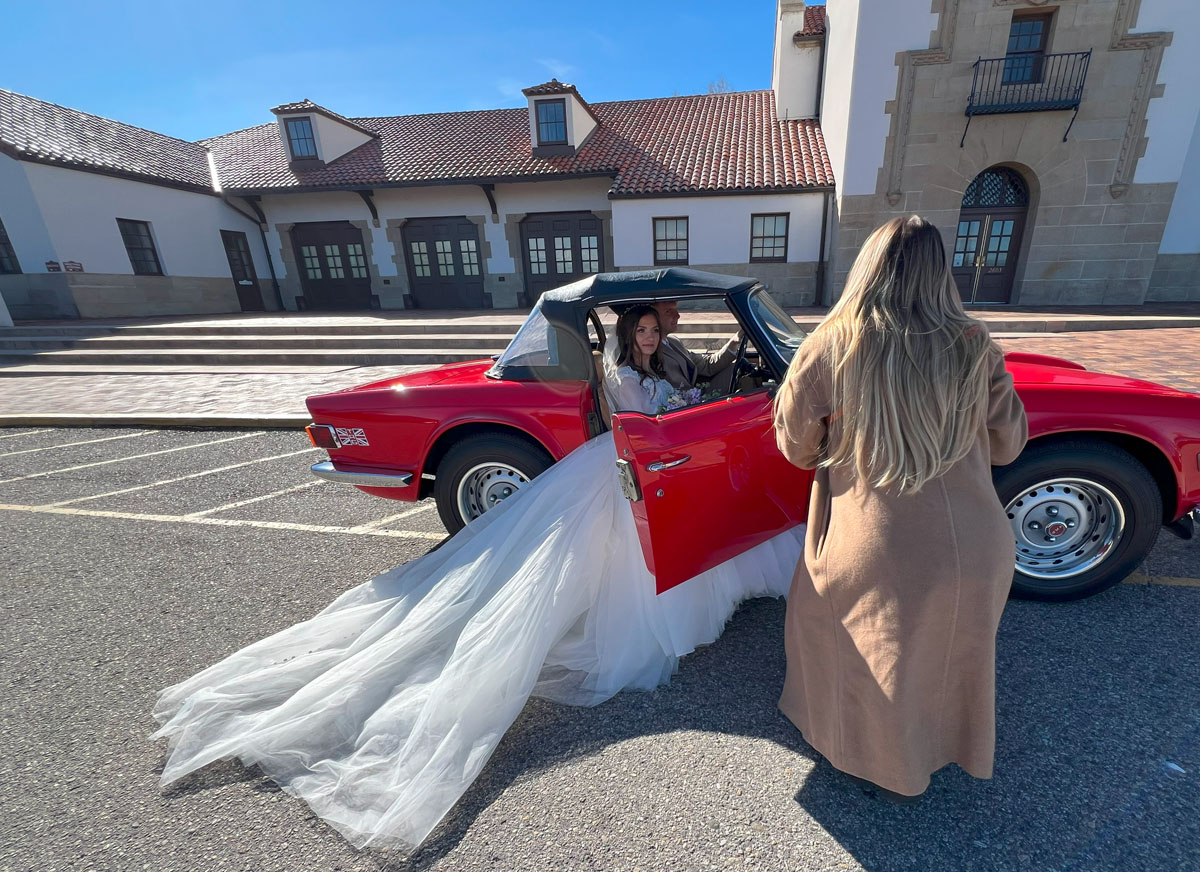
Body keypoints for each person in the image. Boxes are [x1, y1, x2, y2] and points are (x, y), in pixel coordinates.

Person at [153, 303, 804, 851]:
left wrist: (695, 394)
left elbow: (680, 396)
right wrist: (685, 403)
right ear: (628, 333)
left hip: (646, 456)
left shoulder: (662, 361)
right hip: (623, 463)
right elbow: (640, 422)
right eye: (644, 331)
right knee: (609, 564)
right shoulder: (621, 373)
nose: (653, 338)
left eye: (656, 331)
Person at [771, 215, 1028, 802]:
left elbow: (796, 448)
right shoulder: (975, 345)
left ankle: (886, 765)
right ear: (941, 272)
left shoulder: (832, 344)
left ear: (868, 268)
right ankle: (940, 749)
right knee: (949, 654)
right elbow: (1010, 443)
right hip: (976, 542)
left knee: (863, 652)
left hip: (876, 539)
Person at [652, 300, 741, 391]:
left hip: (695, 393)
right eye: (668, 312)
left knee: (736, 368)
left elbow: (706, 365)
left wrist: (733, 342)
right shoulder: (651, 352)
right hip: (686, 398)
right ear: (652, 318)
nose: (677, 315)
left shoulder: (674, 341)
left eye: (676, 310)